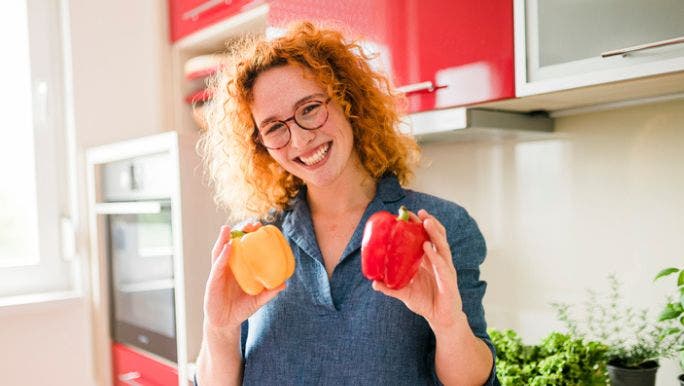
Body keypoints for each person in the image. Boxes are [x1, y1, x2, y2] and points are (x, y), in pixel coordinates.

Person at [195, 21, 497, 386]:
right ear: (260, 144)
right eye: (274, 127)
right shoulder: (258, 240)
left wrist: (448, 324)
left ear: (347, 101)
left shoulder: (436, 225)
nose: (300, 139)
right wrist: (219, 328)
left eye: (309, 108)